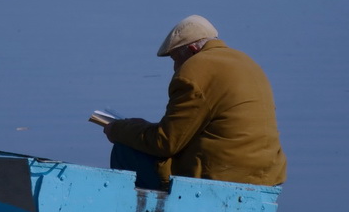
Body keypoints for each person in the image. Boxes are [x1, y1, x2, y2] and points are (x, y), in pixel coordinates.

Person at [103, 14, 287, 190]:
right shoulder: (248, 63)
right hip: (268, 177)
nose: (175, 67)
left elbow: (165, 143)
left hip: (220, 177)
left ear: (192, 50)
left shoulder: (195, 69)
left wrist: (118, 129)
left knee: (125, 150)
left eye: (175, 59)